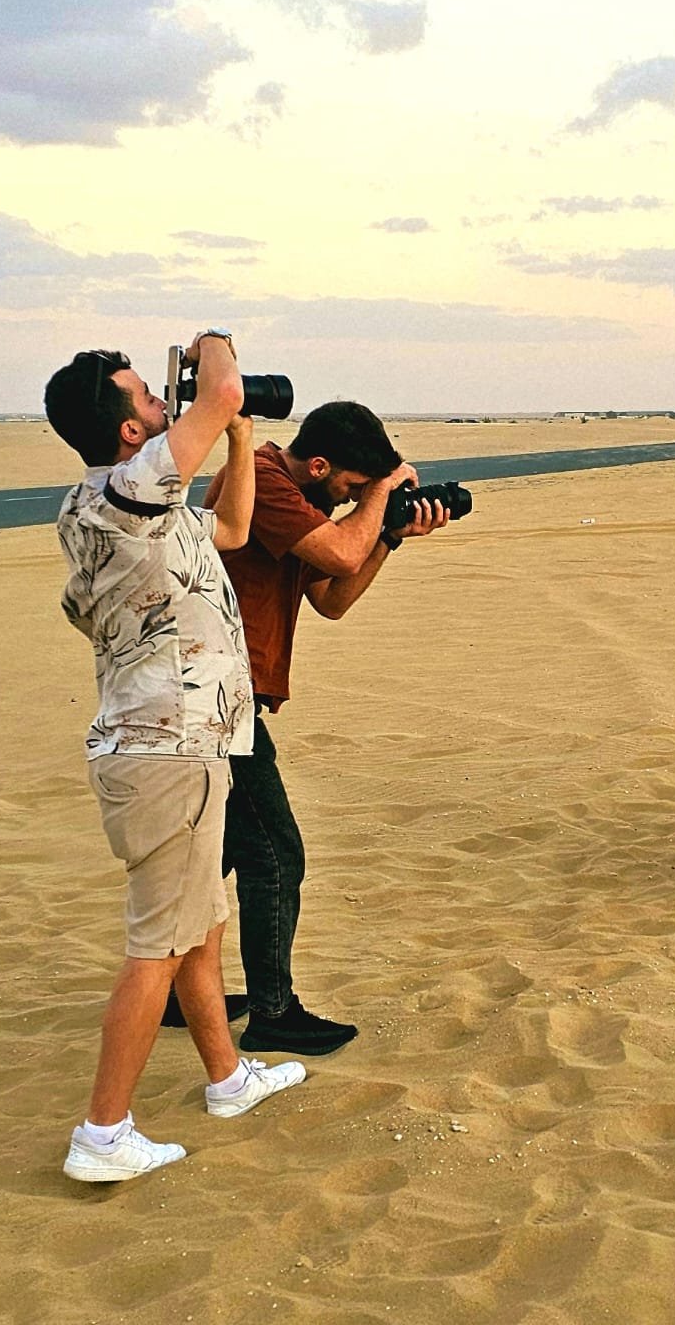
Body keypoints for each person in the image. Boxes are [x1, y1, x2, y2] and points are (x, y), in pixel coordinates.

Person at [45, 332, 306, 1184]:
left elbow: (230, 526)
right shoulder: (128, 491)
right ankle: (102, 1132)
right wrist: (213, 349)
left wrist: (236, 436)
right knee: (159, 942)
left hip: (174, 745)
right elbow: (221, 391)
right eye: (150, 401)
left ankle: (227, 1077)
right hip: (169, 749)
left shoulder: (123, 505)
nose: (166, 406)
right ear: (128, 435)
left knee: (198, 928)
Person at [185, 400, 448, 1057]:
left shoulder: (297, 502)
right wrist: (384, 496)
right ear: (323, 465)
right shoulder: (267, 478)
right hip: (212, 694)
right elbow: (337, 550)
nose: (352, 499)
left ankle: (171, 987)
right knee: (275, 850)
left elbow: (333, 596)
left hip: (220, 695)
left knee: (211, 853)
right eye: (352, 487)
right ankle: (273, 1011)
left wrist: (387, 535)